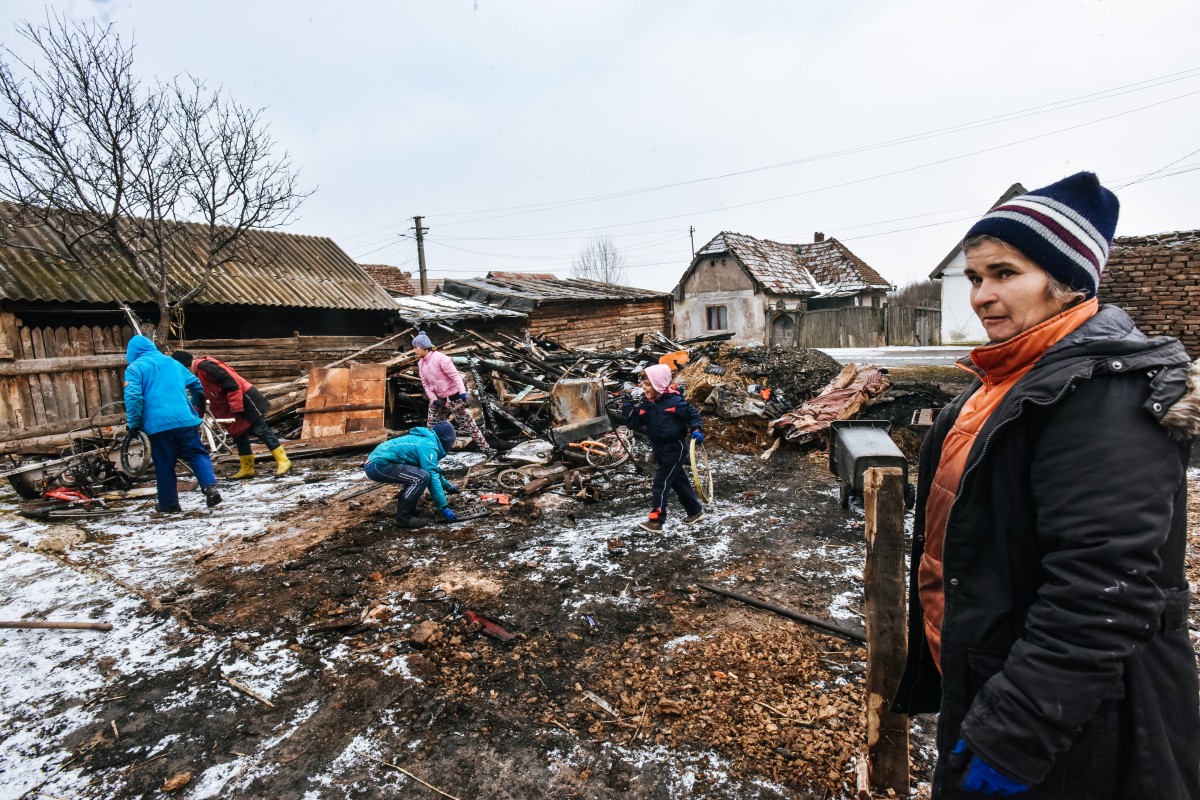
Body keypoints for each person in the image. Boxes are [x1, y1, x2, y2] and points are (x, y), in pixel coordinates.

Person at [892, 172, 1199, 799]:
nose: (981, 295)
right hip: (999, 682)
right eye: (976, 277)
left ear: (1064, 283)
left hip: (1081, 725)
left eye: (1005, 274)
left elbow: (1101, 594)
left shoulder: (1102, 398)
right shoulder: (1002, 385)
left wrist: (1014, 737)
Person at [123, 335, 222, 513]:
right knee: (196, 453)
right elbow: (196, 384)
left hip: (157, 426)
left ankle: (169, 504)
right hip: (185, 420)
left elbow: (133, 397)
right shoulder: (173, 363)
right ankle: (210, 487)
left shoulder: (135, 368)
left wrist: (134, 424)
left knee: (164, 463)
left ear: (132, 352)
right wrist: (198, 405)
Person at [170, 350, 292, 479]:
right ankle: (247, 468)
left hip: (244, 399)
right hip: (231, 404)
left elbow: (231, 383)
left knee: (261, 430)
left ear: (181, 366)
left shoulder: (205, 366)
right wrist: (194, 415)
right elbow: (200, 398)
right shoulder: (195, 376)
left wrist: (236, 406)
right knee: (238, 434)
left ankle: (283, 461)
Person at [622, 363, 706, 532]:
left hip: (675, 447)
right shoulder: (646, 404)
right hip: (659, 448)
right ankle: (695, 511)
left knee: (661, 483)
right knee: (677, 481)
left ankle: (656, 520)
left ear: (658, 384)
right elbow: (633, 423)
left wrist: (696, 429)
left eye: (648, 385)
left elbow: (693, 415)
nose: (644, 388)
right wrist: (627, 407)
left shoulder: (675, 401)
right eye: (643, 385)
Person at [412, 331, 496, 458]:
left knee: (469, 425)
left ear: (424, 347)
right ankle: (428, 454)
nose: (414, 351)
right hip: (438, 400)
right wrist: (433, 399)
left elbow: (455, 377)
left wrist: (463, 394)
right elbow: (426, 384)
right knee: (431, 429)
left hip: (454, 397)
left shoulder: (441, 359)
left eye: (415, 347)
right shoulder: (421, 363)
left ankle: (487, 450)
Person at [363, 420, 461, 528]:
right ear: (446, 440)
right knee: (421, 477)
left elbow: (434, 469)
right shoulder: (428, 445)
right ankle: (403, 518)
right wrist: (443, 507)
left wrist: (447, 486)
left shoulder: (427, 441)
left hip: (378, 463)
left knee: (417, 474)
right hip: (378, 465)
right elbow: (432, 474)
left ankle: (408, 509)